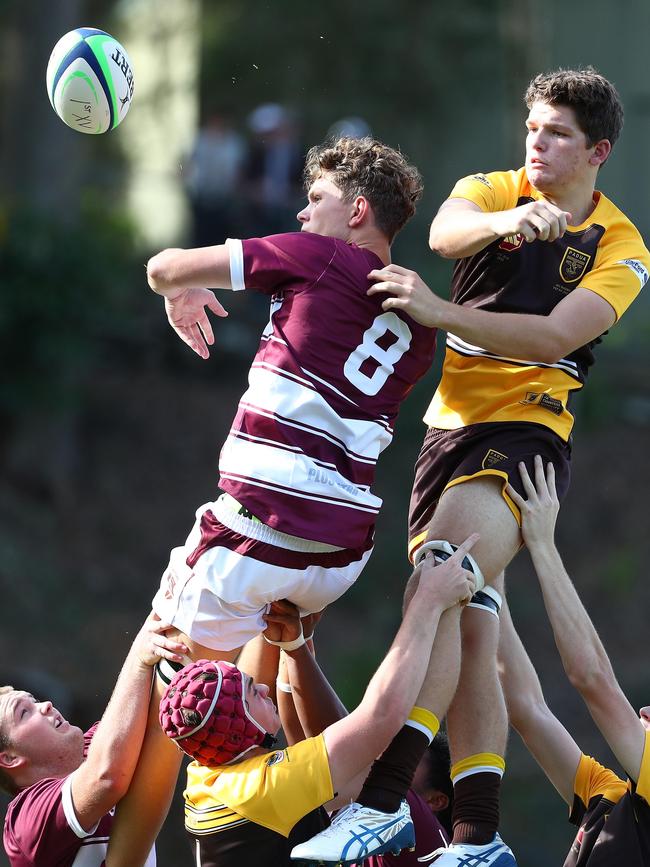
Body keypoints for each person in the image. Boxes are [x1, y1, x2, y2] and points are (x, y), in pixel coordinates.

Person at [300, 67, 650, 865]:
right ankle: (477, 835)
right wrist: (507, 222)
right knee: (470, 617)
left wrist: (439, 310)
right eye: (533, 126)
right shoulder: (493, 188)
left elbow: (557, 337)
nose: (538, 142)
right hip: (446, 429)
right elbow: (444, 233)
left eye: (558, 133)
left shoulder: (624, 247)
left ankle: (384, 802)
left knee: (440, 574)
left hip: (526, 433)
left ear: (597, 150)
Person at [146, 135, 434, 662]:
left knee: (179, 706)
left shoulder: (318, 256)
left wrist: (177, 295)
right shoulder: (422, 324)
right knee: (248, 716)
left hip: (262, 522)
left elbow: (163, 267)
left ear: (358, 210)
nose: (302, 213)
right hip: (340, 555)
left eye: (318, 198)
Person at [149, 541, 477, 867]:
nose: (262, 688)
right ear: (240, 729)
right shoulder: (265, 789)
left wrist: (284, 628)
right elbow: (380, 716)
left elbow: (315, 741)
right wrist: (429, 601)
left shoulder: (206, 772)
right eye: (252, 693)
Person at [498, 456, 650, 865]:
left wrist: (543, 544)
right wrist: (487, 578)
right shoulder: (609, 797)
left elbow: (592, 678)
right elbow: (526, 709)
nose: (646, 710)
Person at [0, 614, 188, 866]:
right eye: (24, 712)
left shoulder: (94, 750)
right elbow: (106, 777)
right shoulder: (26, 821)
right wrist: (139, 657)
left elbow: (170, 692)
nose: (45, 705)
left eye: (34, 700)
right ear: (10, 758)